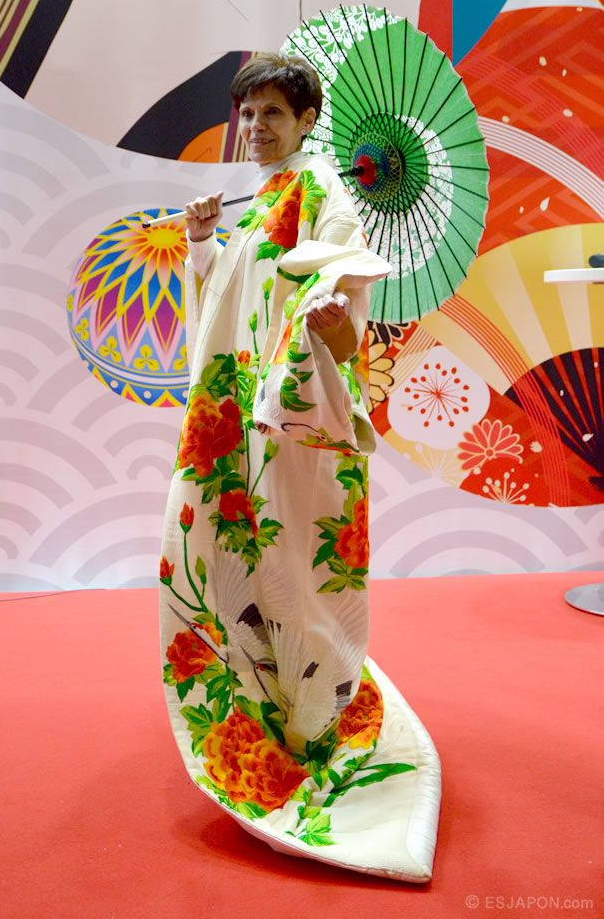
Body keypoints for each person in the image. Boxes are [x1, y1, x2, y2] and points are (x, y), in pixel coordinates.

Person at [158, 53, 440, 879]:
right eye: (246, 114)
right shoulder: (265, 197)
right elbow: (231, 300)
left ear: (308, 120)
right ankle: (261, 705)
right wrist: (203, 241)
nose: (255, 128)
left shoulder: (325, 199)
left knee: (295, 568)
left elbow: (347, 328)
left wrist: (326, 321)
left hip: (290, 424)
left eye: (273, 113)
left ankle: (315, 725)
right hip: (236, 418)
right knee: (234, 559)